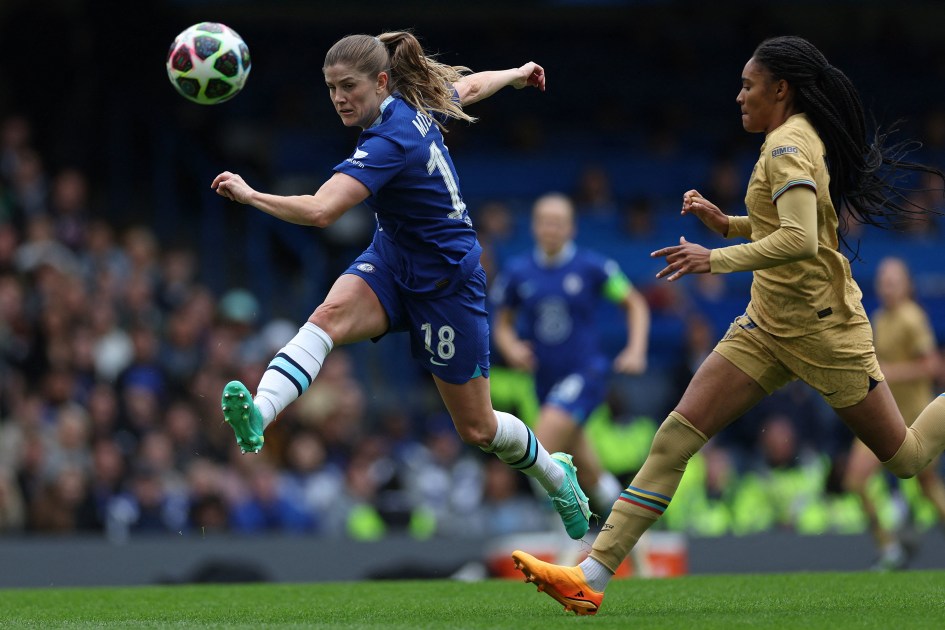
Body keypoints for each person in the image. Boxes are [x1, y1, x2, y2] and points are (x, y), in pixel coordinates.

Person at [511, 35, 945, 615]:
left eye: (748, 85)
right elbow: (791, 222)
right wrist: (729, 225)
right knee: (675, 437)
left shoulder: (787, 146)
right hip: (767, 324)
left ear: (780, 89)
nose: (738, 95)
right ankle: (590, 574)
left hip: (823, 332)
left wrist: (710, 259)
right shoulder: (788, 141)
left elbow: (802, 240)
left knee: (908, 460)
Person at [211, 31, 591, 540]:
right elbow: (468, 90)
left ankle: (555, 474)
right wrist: (517, 74)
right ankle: (260, 412)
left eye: (349, 86)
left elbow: (323, 210)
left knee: (477, 429)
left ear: (382, 81)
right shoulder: (415, 103)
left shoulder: (392, 140)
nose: (339, 98)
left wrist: (251, 194)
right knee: (326, 317)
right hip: (394, 259)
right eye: (330, 88)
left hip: (447, 284)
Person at [491, 192, 650, 519]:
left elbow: (634, 303)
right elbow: (502, 323)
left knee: (542, 444)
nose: (551, 229)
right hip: (544, 381)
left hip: (584, 373)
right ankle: (627, 525)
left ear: (571, 228)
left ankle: (569, 518)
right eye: (545, 222)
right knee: (590, 472)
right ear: (534, 227)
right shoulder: (519, 272)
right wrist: (512, 347)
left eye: (558, 223)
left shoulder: (592, 267)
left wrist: (636, 349)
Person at [843, 256, 945, 570]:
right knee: (855, 480)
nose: (887, 287)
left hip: (916, 419)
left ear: (906, 286)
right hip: (884, 416)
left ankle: (897, 540)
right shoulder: (879, 319)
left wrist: (886, 372)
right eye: (883, 281)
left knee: (928, 489)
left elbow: (933, 366)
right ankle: (889, 547)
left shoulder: (912, 318)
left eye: (893, 281)